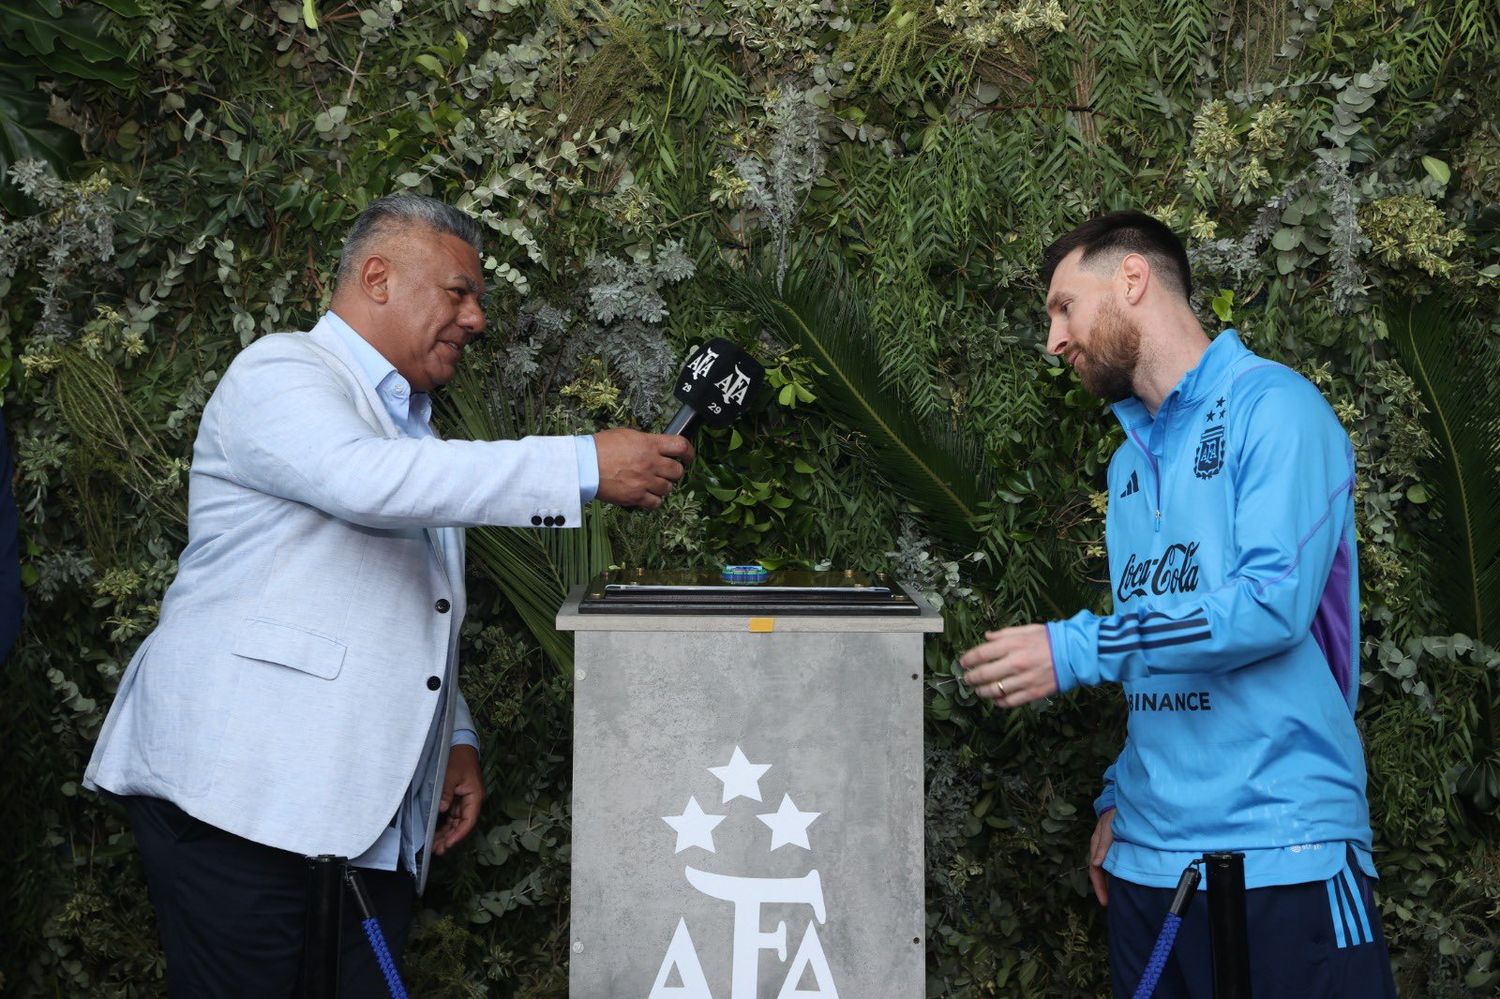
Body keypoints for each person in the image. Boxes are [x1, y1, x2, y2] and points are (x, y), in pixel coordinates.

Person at [83, 194, 694, 996]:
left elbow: (410, 604)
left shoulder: (419, 439)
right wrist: (581, 463)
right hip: (239, 808)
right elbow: (362, 482)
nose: (475, 319)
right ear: (377, 276)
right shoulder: (279, 372)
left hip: (364, 827)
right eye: (458, 291)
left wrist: (453, 738)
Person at [960, 211, 1396, 997]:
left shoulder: (1278, 409)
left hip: (1281, 855)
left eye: (1063, 306)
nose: (1053, 339)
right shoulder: (1128, 465)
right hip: (1146, 866)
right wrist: (1120, 794)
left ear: (1132, 279)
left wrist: (1073, 648)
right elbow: (1163, 641)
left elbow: (1268, 606)